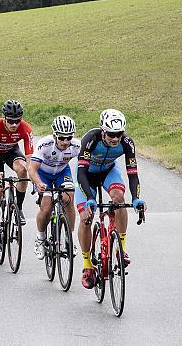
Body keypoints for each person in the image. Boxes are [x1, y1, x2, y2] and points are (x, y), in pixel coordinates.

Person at [76, 109, 146, 289]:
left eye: (119, 134)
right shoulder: (90, 139)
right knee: (85, 218)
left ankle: (120, 249)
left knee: (119, 199)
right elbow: (81, 172)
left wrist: (137, 198)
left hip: (108, 172)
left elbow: (133, 174)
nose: (115, 139)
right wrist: (90, 198)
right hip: (87, 178)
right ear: (103, 130)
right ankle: (87, 266)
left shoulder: (127, 143)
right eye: (111, 134)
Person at [0, 100, 34, 257]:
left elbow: (30, 158)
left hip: (12, 151)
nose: (14, 124)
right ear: (3, 118)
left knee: (23, 170)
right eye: (11, 121)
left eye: (17, 121)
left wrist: (34, 176)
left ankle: (18, 208)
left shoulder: (26, 128)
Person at [28, 115, 81, 260]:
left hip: (62, 172)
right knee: (46, 209)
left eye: (69, 137)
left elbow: (86, 165)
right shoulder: (45, 144)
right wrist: (38, 183)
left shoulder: (76, 146)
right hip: (43, 174)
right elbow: (32, 169)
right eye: (61, 138)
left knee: (68, 199)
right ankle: (40, 238)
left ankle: (69, 238)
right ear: (54, 135)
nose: (65, 141)